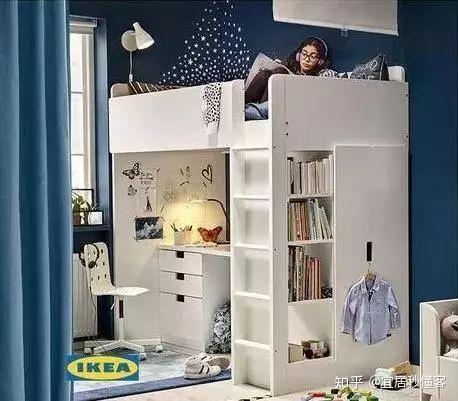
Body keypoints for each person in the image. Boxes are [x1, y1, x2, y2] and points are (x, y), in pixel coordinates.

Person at [245, 37, 330, 120]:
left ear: (320, 61)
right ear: (298, 55)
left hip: (290, 107)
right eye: (304, 54)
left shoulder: (321, 75)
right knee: (265, 74)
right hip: (270, 102)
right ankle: (241, 107)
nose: (307, 59)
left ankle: (261, 113)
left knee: (280, 71)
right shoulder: (289, 67)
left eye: (313, 56)